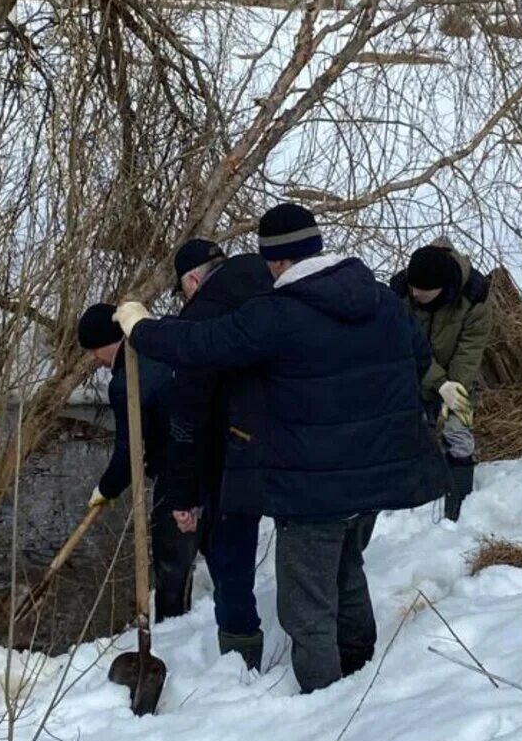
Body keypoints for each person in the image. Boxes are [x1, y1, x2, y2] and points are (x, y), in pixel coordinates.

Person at [115, 203, 448, 693]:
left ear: (274, 262)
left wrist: (140, 327)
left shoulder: (278, 315)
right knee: (346, 570)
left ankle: (324, 703)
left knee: (305, 602)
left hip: (312, 484)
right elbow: (419, 360)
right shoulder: (379, 298)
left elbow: (202, 344)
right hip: (375, 473)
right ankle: (359, 679)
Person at [165, 238, 274, 669]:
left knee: (231, 563)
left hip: (231, 456)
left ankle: (241, 662)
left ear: (193, 279)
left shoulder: (201, 321)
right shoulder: (277, 291)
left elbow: (187, 420)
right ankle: (336, 659)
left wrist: (182, 494)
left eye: (183, 289)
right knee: (314, 554)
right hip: (300, 449)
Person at [78, 303, 195, 623]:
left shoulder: (125, 382)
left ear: (108, 342)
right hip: (204, 461)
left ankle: (172, 629)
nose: (94, 359)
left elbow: (126, 452)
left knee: (170, 560)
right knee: (195, 552)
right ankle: (191, 619)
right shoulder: (161, 346)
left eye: (93, 350)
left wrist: (106, 489)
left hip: (177, 475)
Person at [389, 240, 492, 521]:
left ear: (443, 288)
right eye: (413, 289)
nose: (415, 295)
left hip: (458, 375)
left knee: (458, 436)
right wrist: (438, 383)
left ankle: (460, 508)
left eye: (423, 292)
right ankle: (405, 511)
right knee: (409, 435)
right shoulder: (398, 294)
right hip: (410, 375)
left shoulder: (476, 294)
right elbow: (405, 346)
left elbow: (470, 350)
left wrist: (454, 389)